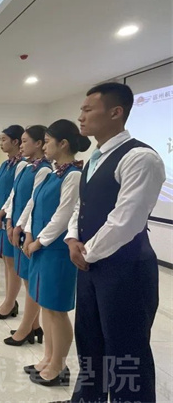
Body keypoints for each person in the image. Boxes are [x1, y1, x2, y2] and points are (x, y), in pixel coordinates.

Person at [65, 83, 165, 403]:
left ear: (115, 112)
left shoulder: (140, 157)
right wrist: (72, 238)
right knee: (90, 341)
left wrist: (88, 252)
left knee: (126, 350)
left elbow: (127, 220)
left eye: (87, 109)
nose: (80, 117)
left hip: (126, 268)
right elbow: (81, 206)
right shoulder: (94, 158)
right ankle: (88, 398)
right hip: (90, 264)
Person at [20, 119, 90, 387]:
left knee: (57, 309)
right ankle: (48, 358)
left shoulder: (73, 175)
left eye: (48, 142)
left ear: (63, 144)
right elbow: (34, 204)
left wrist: (39, 242)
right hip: (41, 246)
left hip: (56, 250)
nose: (45, 146)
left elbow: (64, 215)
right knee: (46, 306)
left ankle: (59, 365)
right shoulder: (52, 173)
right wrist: (28, 234)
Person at [3, 126, 52, 346]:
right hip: (19, 226)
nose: (21, 146)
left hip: (29, 230)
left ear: (39, 144)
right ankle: (34, 325)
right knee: (24, 276)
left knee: (31, 280)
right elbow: (14, 195)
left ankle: (26, 328)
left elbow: (33, 202)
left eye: (25, 141)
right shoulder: (26, 167)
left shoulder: (44, 170)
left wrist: (20, 226)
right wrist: (9, 220)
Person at [0, 125, 26, 318]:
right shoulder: (5, 164)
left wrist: (2, 213)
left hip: (9, 218)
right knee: (5, 260)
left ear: (16, 142)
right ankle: (9, 300)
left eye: (4, 139)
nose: (1, 143)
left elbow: (14, 194)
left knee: (12, 263)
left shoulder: (22, 165)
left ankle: (10, 303)